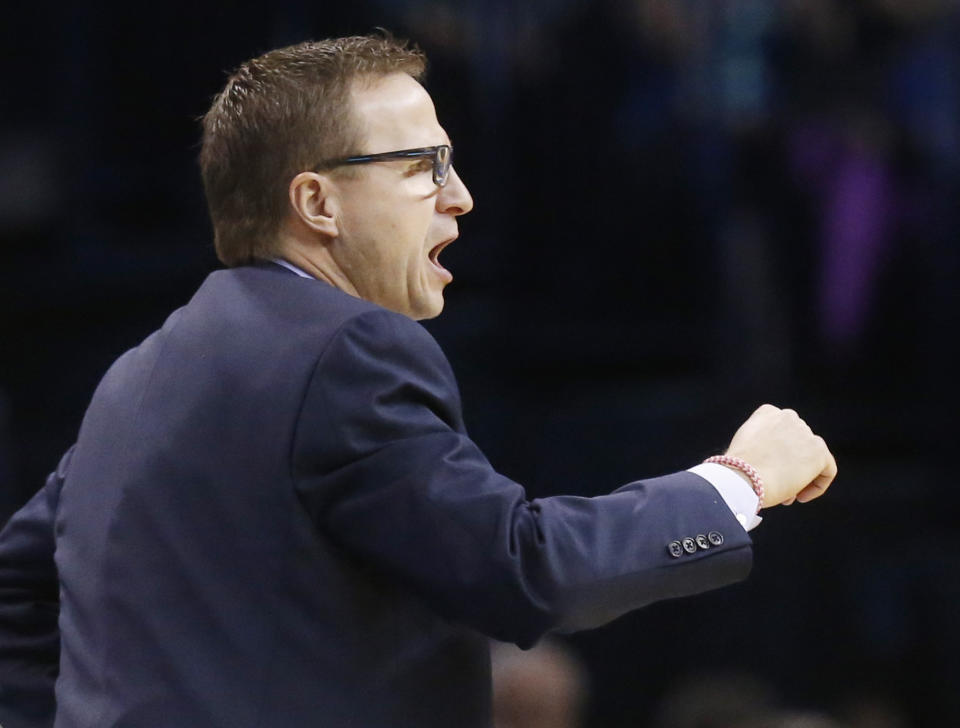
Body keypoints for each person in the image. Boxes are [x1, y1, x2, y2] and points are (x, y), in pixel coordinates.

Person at [0, 34, 836, 728]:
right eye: (425, 166)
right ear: (318, 203)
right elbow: (523, 570)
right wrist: (736, 482)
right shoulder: (347, 347)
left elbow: (17, 596)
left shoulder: (140, 373)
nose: (461, 197)